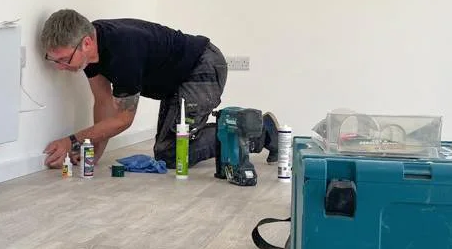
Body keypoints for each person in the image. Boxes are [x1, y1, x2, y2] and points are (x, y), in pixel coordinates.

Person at [40, 9, 279, 169]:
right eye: (55, 61)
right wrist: (94, 152)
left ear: (87, 43)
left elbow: (123, 118)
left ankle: (260, 132)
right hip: (179, 80)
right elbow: (102, 102)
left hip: (201, 68)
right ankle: (249, 130)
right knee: (167, 151)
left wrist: (71, 140)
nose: (60, 67)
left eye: (63, 59)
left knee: (173, 154)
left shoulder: (122, 51)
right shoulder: (91, 55)